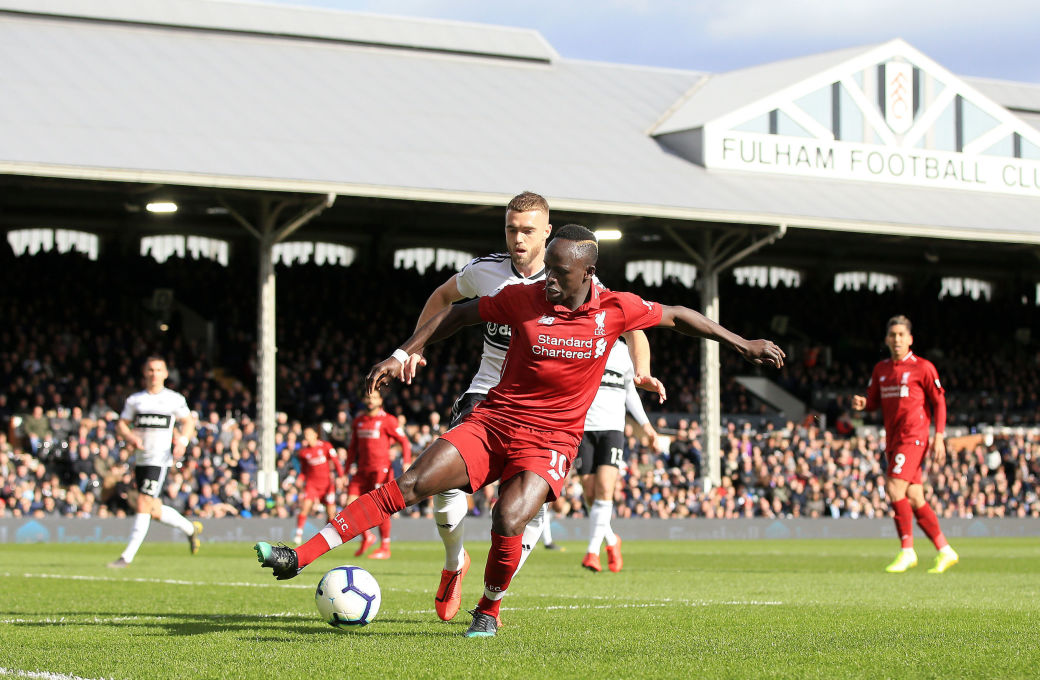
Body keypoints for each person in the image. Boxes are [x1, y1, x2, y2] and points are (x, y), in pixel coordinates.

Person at [254, 224, 784, 639]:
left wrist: (743, 344)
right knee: (412, 482)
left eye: (560, 272)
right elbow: (457, 315)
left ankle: (488, 608)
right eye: (547, 267)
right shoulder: (523, 296)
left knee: (508, 517)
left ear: (588, 272)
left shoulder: (615, 309)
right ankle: (299, 556)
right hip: (495, 421)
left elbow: (679, 315)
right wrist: (403, 352)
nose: (548, 279)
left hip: (551, 440)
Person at [398, 191, 660, 621]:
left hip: (547, 411)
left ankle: (491, 598)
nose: (518, 239)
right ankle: (454, 563)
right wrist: (414, 347)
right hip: (489, 393)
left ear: (547, 233)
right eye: (511, 229)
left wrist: (641, 371)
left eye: (527, 231)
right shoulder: (486, 271)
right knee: (443, 486)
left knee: (523, 514)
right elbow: (444, 298)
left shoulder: (575, 276)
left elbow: (634, 325)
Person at [851, 315, 958, 574]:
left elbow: (939, 402)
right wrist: (864, 404)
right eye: (893, 335)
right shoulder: (881, 369)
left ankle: (907, 550)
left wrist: (939, 435)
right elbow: (874, 401)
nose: (897, 339)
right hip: (893, 439)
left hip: (914, 437)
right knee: (914, 497)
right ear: (887, 339)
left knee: (893, 487)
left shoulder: (923, 367)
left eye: (901, 335)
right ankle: (945, 550)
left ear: (910, 339)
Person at [108, 356, 202, 568]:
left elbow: (188, 421)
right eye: (150, 370)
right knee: (153, 510)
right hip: (141, 459)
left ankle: (126, 557)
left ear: (165, 374)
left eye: (158, 370)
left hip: (159, 459)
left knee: (143, 502)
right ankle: (190, 529)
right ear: (145, 373)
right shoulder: (136, 400)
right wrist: (130, 437)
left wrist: (183, 441)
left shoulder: (173, 399)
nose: (154, 374)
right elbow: (121, 424)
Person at [577, 336, 657, 573]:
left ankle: (592, 552)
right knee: (589, 492)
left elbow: (630, 393)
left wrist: (646, 426)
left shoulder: (624, 352)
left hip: (612, 429)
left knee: (604, 488)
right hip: (583, 429)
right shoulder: (583, 344)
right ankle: (612, 540)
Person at [345, 389, 411, 560]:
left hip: (380, 471)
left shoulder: (388, 420)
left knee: (380, 507)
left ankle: (385, 547)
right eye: (368, 397)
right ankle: (367, 536)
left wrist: (406, 461)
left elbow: (404, 442)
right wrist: (345, 471)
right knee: (349, 505)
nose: (370, 400)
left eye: (374, 397)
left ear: (380, 400)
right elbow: (352, 448)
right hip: (362, 471)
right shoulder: (359, 421)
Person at [293, 426, 345, 545]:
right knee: (305, 507)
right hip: (312, 485)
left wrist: (341, 476)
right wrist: (300, 479)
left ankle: (329, 535)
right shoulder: (304, 453)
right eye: (305, 435)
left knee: (331, 513)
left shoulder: (326, 446)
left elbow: (336, 462)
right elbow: (304, 471)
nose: (307, 437)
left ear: (315, 435)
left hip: (327, 485)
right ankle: (298, 534)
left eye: (309, 434)